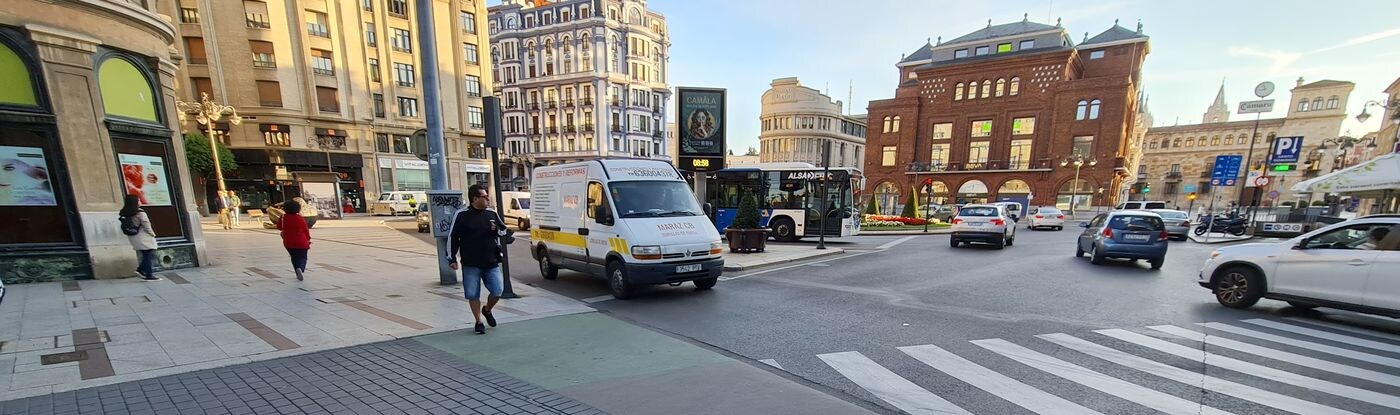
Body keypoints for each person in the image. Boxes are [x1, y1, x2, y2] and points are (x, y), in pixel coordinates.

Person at [447, 184, 508, 335]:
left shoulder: (491, 213)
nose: (488, 199)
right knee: (473, 293)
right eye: (484, 197)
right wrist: (451, 258)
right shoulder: (461, 215)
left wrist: (497, 231)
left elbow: (504, 230)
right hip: (470, 263)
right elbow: (453, 237)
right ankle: (479, 321)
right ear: (475, 199)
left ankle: (487, 310)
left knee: (497, 290)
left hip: (491, 261)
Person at [120, 195, 160, 281]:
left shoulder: (126, 212)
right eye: (138, 200)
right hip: (144, 236)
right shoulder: (140, 213)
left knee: (147, 255)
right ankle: (145, 272)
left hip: (133, 236)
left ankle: (146, 272)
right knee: (149, 254)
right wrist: (152, 234)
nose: (140, 201)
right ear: (135, 202)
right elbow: (146, 224)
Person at [277, 199, 311, 280]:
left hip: (288, 242)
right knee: (303, 257)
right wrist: (308, 239)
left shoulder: (282, 217)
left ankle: (297, 270)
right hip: (301, 242)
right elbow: (305, 229)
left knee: (294, 257)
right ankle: (300, 268)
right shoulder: (299, 218)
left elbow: (279, 227)